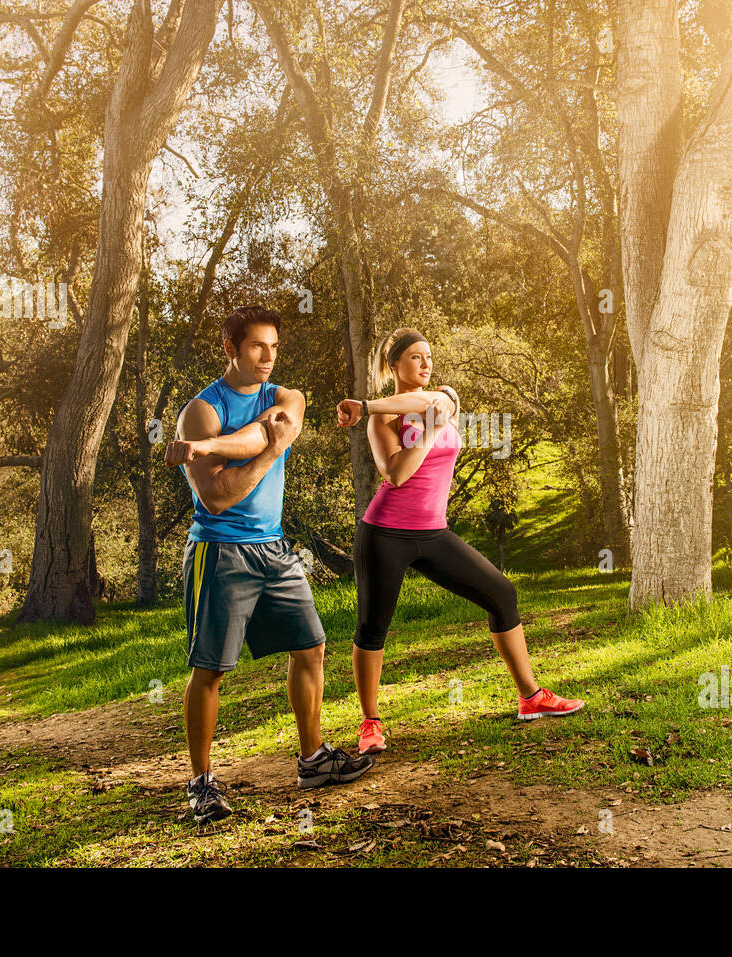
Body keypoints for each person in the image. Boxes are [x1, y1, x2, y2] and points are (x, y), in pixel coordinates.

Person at [166, 305, 372, 821]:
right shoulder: (200, 411)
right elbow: (217, 498)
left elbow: (268, 432)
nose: (268, 357)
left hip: (274, 548)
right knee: (209, 670)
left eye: (274, 346)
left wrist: (210, 448)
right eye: (257, 345)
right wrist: (261, 452)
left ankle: (312, 760)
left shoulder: (286, 398)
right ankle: (202, 783)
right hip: (219, 551)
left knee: (310, 646)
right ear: (229, 348)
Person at [336, 327, 584, 756]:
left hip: (433, 533)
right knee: (373, 626)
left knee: (502, 594)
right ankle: (370, 722)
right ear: (395, 365)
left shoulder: (442, 399)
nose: (426, 364)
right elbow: (396, 474)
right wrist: (420, 429)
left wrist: (365, 404)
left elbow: (431, 406)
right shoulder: (383, 420)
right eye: (415, 357)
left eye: (428, 356)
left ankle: (531, 697)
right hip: (385, 534)